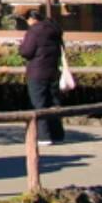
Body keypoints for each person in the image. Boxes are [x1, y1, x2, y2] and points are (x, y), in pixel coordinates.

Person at [18, 8, 66, 145]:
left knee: (39, 103)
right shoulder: (55, 28)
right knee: (53, 102)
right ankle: (57, 134)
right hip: (53, 70)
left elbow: (27, 51)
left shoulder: (34, 31)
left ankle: (43, 136)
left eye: (27, 20)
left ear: (32, 19)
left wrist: (20, 47)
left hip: (37, 71)